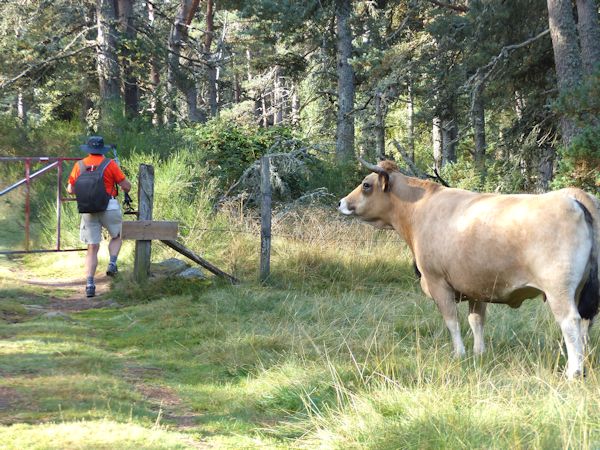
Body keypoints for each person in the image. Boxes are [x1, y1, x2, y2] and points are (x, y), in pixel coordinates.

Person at [67, 136, 132, 298]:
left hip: (88, 208)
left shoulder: (79, 165)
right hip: (109, 206)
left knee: (92, 247)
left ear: (88, 149)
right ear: (103, 149)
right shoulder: (109, 164)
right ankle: (112, 263)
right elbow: (126, 186)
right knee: (117, 235)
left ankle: (90, 284)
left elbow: (70, 189)